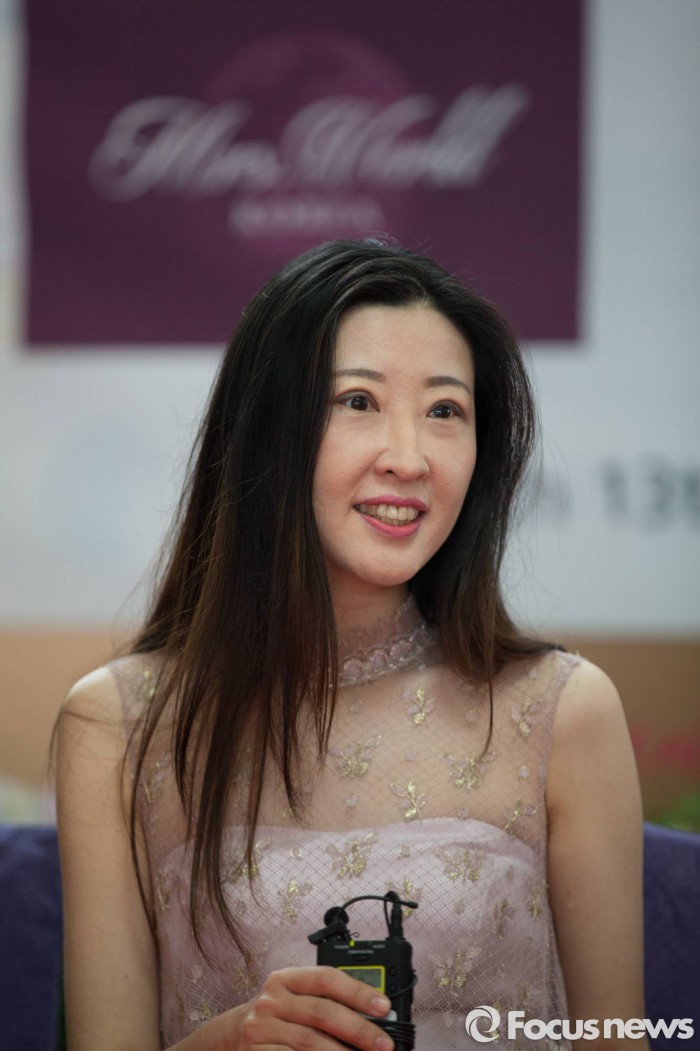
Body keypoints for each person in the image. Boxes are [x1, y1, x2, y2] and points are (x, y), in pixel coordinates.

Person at [55, 239, 648, 1051]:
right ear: (268, 427)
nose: (408, 458)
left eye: (445, 411)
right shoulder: (117, 728)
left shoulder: (560, 710)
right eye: (358, 401)